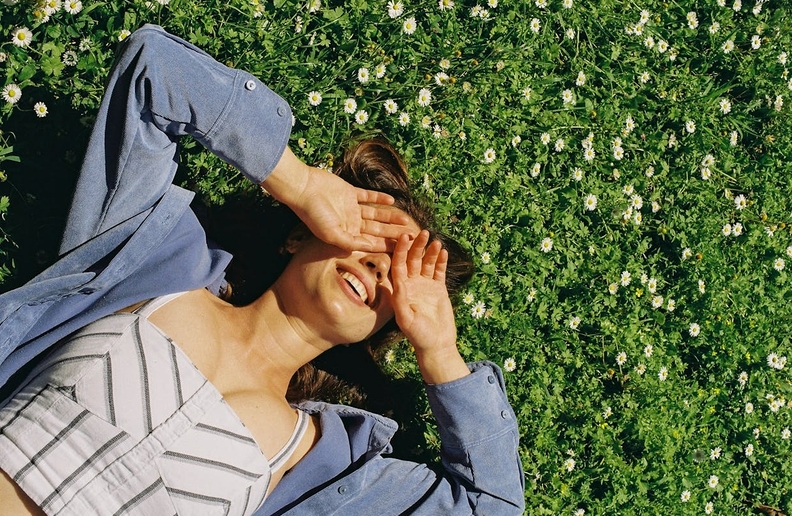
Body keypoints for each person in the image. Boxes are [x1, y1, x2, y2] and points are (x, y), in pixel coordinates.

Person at [0, 25, 524, 515]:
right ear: (299, 234)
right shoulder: (153, 259)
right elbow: (154, 69)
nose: (378, 269)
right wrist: (298, 183)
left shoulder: (321, 463)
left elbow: (490, 507)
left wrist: (439, 352)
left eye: (399, 281)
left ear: (385, 328)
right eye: (369, 238)